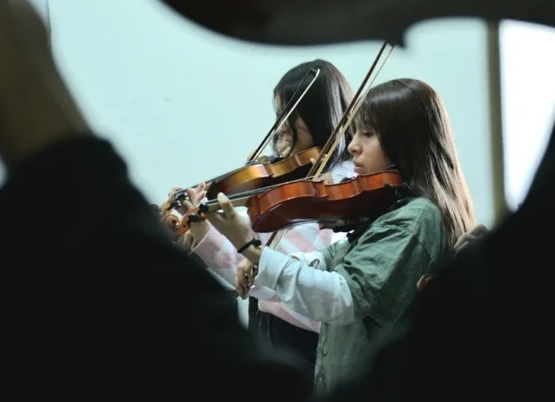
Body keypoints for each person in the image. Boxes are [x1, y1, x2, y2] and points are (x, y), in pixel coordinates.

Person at [0, 0, 312, 398]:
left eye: (289, 118)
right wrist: (207, 240)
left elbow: (315, 301)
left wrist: (251, 252)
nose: (279, 130)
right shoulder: (275, 185)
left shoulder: (335, 202)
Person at [200, 78, 477, 393]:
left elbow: (344, 296)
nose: (353, 145)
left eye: (367, 133)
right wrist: (264, 259)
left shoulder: (417, 217)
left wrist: (253, 250)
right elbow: (328, 259)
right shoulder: (388, 211)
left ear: (405, 142)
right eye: (355, 131)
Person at [174, 59, 355, 378]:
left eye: (291, 117)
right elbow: (251, 266)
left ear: (320, 116)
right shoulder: (292, 182)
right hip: (271, 332)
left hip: (304, 348)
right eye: (279, 116)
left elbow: (271, 280)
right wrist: (205, 227)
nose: (281, 128)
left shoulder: (335, 192)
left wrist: (209, 233)